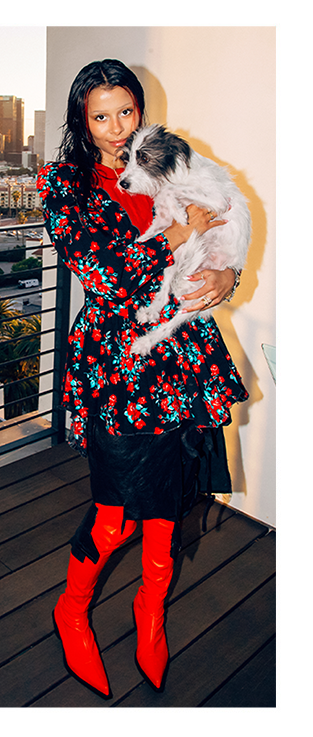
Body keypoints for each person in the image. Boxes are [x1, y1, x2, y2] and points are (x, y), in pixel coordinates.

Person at [37, 60, 248, 698]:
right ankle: (72, 608)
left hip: (180, 353)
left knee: (165, 514)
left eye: (125, 111)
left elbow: (224, 225)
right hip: (117, 363)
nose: (115, 128)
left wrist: (226, 278)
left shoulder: (169, 159)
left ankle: (149, 612)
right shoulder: (61, 181)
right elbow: (100, 277)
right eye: (99, 116)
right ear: (81, 119)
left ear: (140, 108)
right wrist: (180, 233)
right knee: (113, 516)